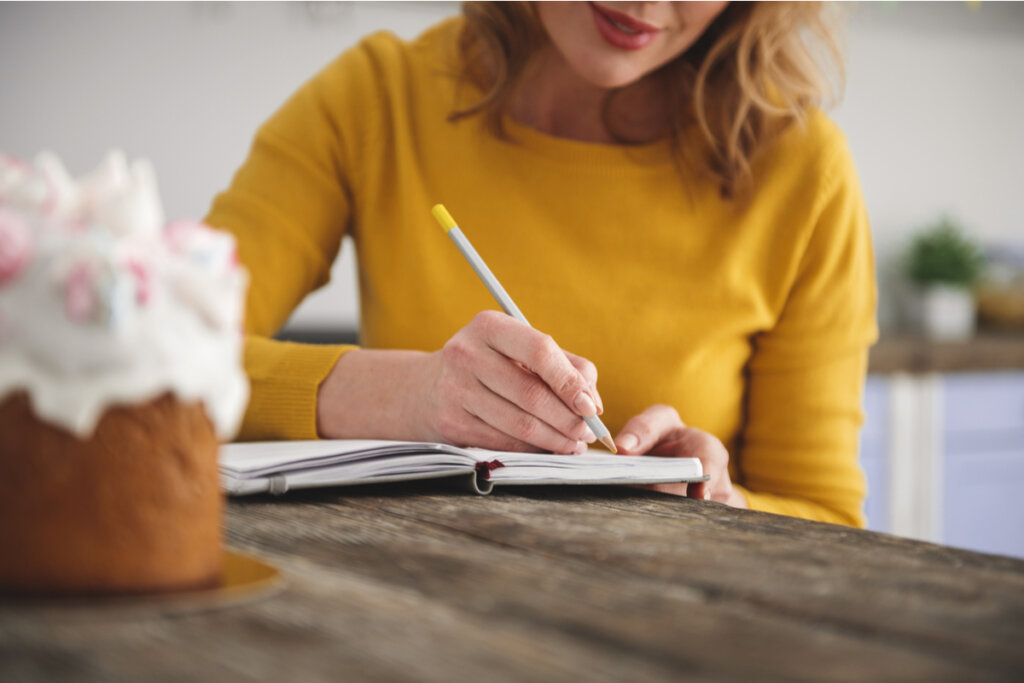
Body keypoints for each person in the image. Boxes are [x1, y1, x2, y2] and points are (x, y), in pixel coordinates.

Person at [206, 1, 877, 526]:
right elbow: (140, 354)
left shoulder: (800, 171)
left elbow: (829, 518)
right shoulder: (379, 97)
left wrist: (724, 503)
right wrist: (406, 395)